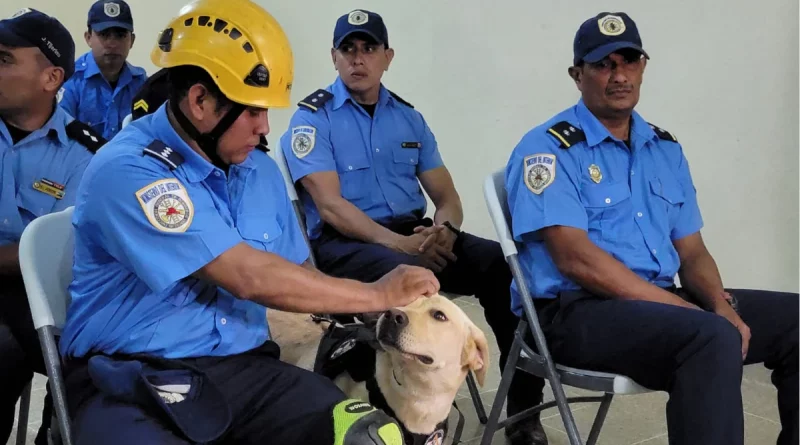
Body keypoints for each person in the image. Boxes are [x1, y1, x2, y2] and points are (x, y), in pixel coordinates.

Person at [58, 1, 439, 444]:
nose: (265, 127)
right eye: (254, 110)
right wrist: (374, 293)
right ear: (200, 101)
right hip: (131, 380)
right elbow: (245, 275)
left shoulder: (257, 171)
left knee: (372, 437)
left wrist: (365, 320)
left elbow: (299, 275)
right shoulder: (129, 169)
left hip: (244, 370)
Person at [504, 11, 798, 445]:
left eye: (628, 61)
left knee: (795, 319)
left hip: (656, 303)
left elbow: (692, 251)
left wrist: (718, 303)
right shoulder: (548, 149)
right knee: (709, 337)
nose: (618, 75)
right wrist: (688, 311)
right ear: (577, 74)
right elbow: (575, 259)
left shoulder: (663, 149)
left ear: (643, 67)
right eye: (603, 64)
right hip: (575, 313)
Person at [280, 9, 547, 444]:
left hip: (414, 236)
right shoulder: (313, 119)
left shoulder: (408, 118)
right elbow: (329, 207)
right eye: (348, 49)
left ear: (388, 56)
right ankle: (400, 409)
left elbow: (448, 197)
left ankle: (522, 410)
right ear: (333, 57)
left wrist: (445, 231)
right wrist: (402, 246)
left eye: (369, 49)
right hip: (346, 244)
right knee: (410, 278)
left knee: (503, 268)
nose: (358, 59)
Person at [0, 8, 105, 445]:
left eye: (5, 59)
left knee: (98, 365)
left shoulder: (86, 156)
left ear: (51, 79)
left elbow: (64, 256)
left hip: (41, 295)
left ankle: (53, 435)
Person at [58, 0, 146, 140]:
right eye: (104, 34)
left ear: (132, 40)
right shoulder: (70, 80)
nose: (112, 43)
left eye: (120, 35)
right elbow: (60, 138)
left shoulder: (142, 83)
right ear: (88, 38)